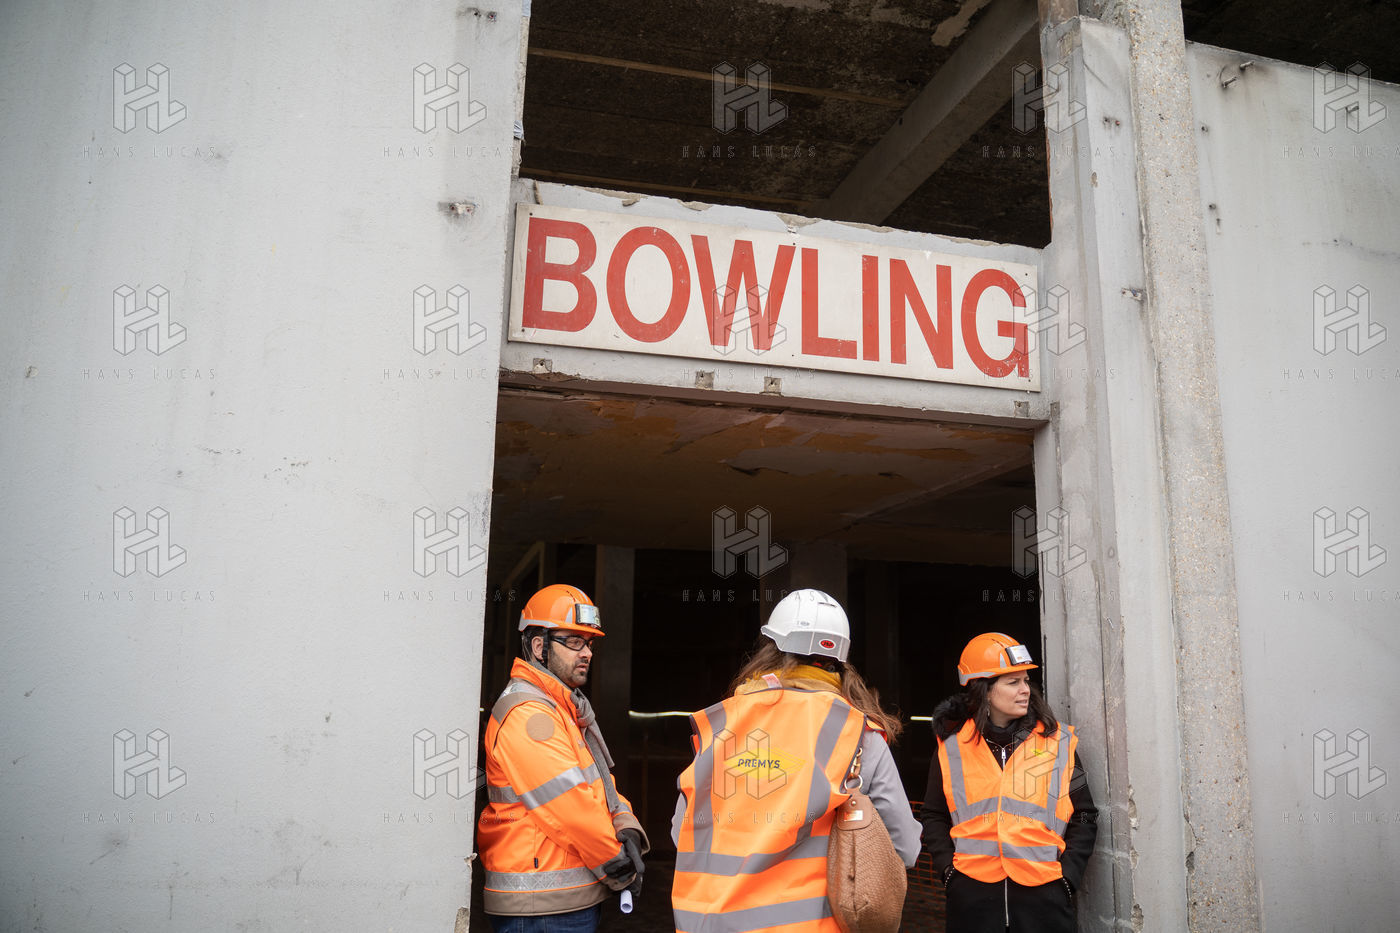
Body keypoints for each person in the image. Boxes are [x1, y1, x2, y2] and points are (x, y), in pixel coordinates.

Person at [671, 589, 922, 932]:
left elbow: (681, 833)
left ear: (771, 650)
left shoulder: (721, 725)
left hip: (708, 922)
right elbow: (904, 848)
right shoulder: (857, 734)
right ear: (839, 660)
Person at [477, 583, 647, 932]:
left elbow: (596, 785)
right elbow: (571, 807)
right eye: (573, 641)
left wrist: (625, 823)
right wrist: (618, 867)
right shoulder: (530, 715)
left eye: (589, 643)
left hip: (557, 901)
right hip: (541, 907)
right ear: (539, 647)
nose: (586, 653)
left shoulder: (560, 709)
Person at [921, 632, 1098, 932]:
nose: (1025, 690)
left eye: (1026, 681)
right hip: (972, 901)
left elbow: (1085, 815)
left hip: (1044, 902)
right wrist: (949, 874)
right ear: (984, 690)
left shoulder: (1057, 744)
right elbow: (933, 814)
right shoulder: (952, 747)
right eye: (1013, 682)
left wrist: (1067, 879)